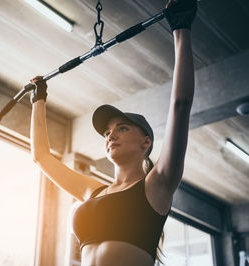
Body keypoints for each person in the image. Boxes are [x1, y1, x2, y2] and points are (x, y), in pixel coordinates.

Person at [29, 0, 196, 264]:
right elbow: (42, 158)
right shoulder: (93, 192)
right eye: (107, 132)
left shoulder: (157, 185)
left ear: (146, 142)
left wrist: (181, 29)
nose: (110, 135)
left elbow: (180, 106)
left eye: (122, 128)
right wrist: (39, 99)